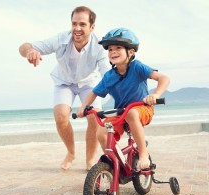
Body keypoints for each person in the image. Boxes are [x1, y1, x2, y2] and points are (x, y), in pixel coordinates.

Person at [19, 6, 110, 170]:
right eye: (74, 23)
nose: (77, 28)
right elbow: (23, 46)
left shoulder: (99, 46)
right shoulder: (61, 39)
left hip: (88, 83)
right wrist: (30, 51)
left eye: (82, 24)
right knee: (61, 116)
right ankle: (71, 153)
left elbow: (107, 74)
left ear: (92, 27)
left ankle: (90, 160)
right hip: (64, 82)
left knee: (95, 118)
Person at [76, 27, 170, 171]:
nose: (113, 52)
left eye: (118, 48)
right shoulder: (109, 76)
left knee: (132, 112)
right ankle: (115, 162)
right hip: (121, 113)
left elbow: (164, 78)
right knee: (101, 132)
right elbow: (93, 93)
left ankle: (144, 154)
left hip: (142, 109)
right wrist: (83, 107)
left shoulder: (137, 67)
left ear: (131, 52)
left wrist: (155, 95)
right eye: (110, 49)